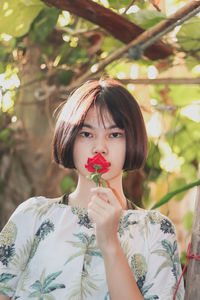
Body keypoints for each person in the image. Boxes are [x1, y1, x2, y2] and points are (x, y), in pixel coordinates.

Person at [0, 78, 184, 300]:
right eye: (86, 134)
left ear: (133, 140)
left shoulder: (156, 230)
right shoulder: (33, 216)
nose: (99, 148)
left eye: (114, 134)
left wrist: (109, 242)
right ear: (69, 138)